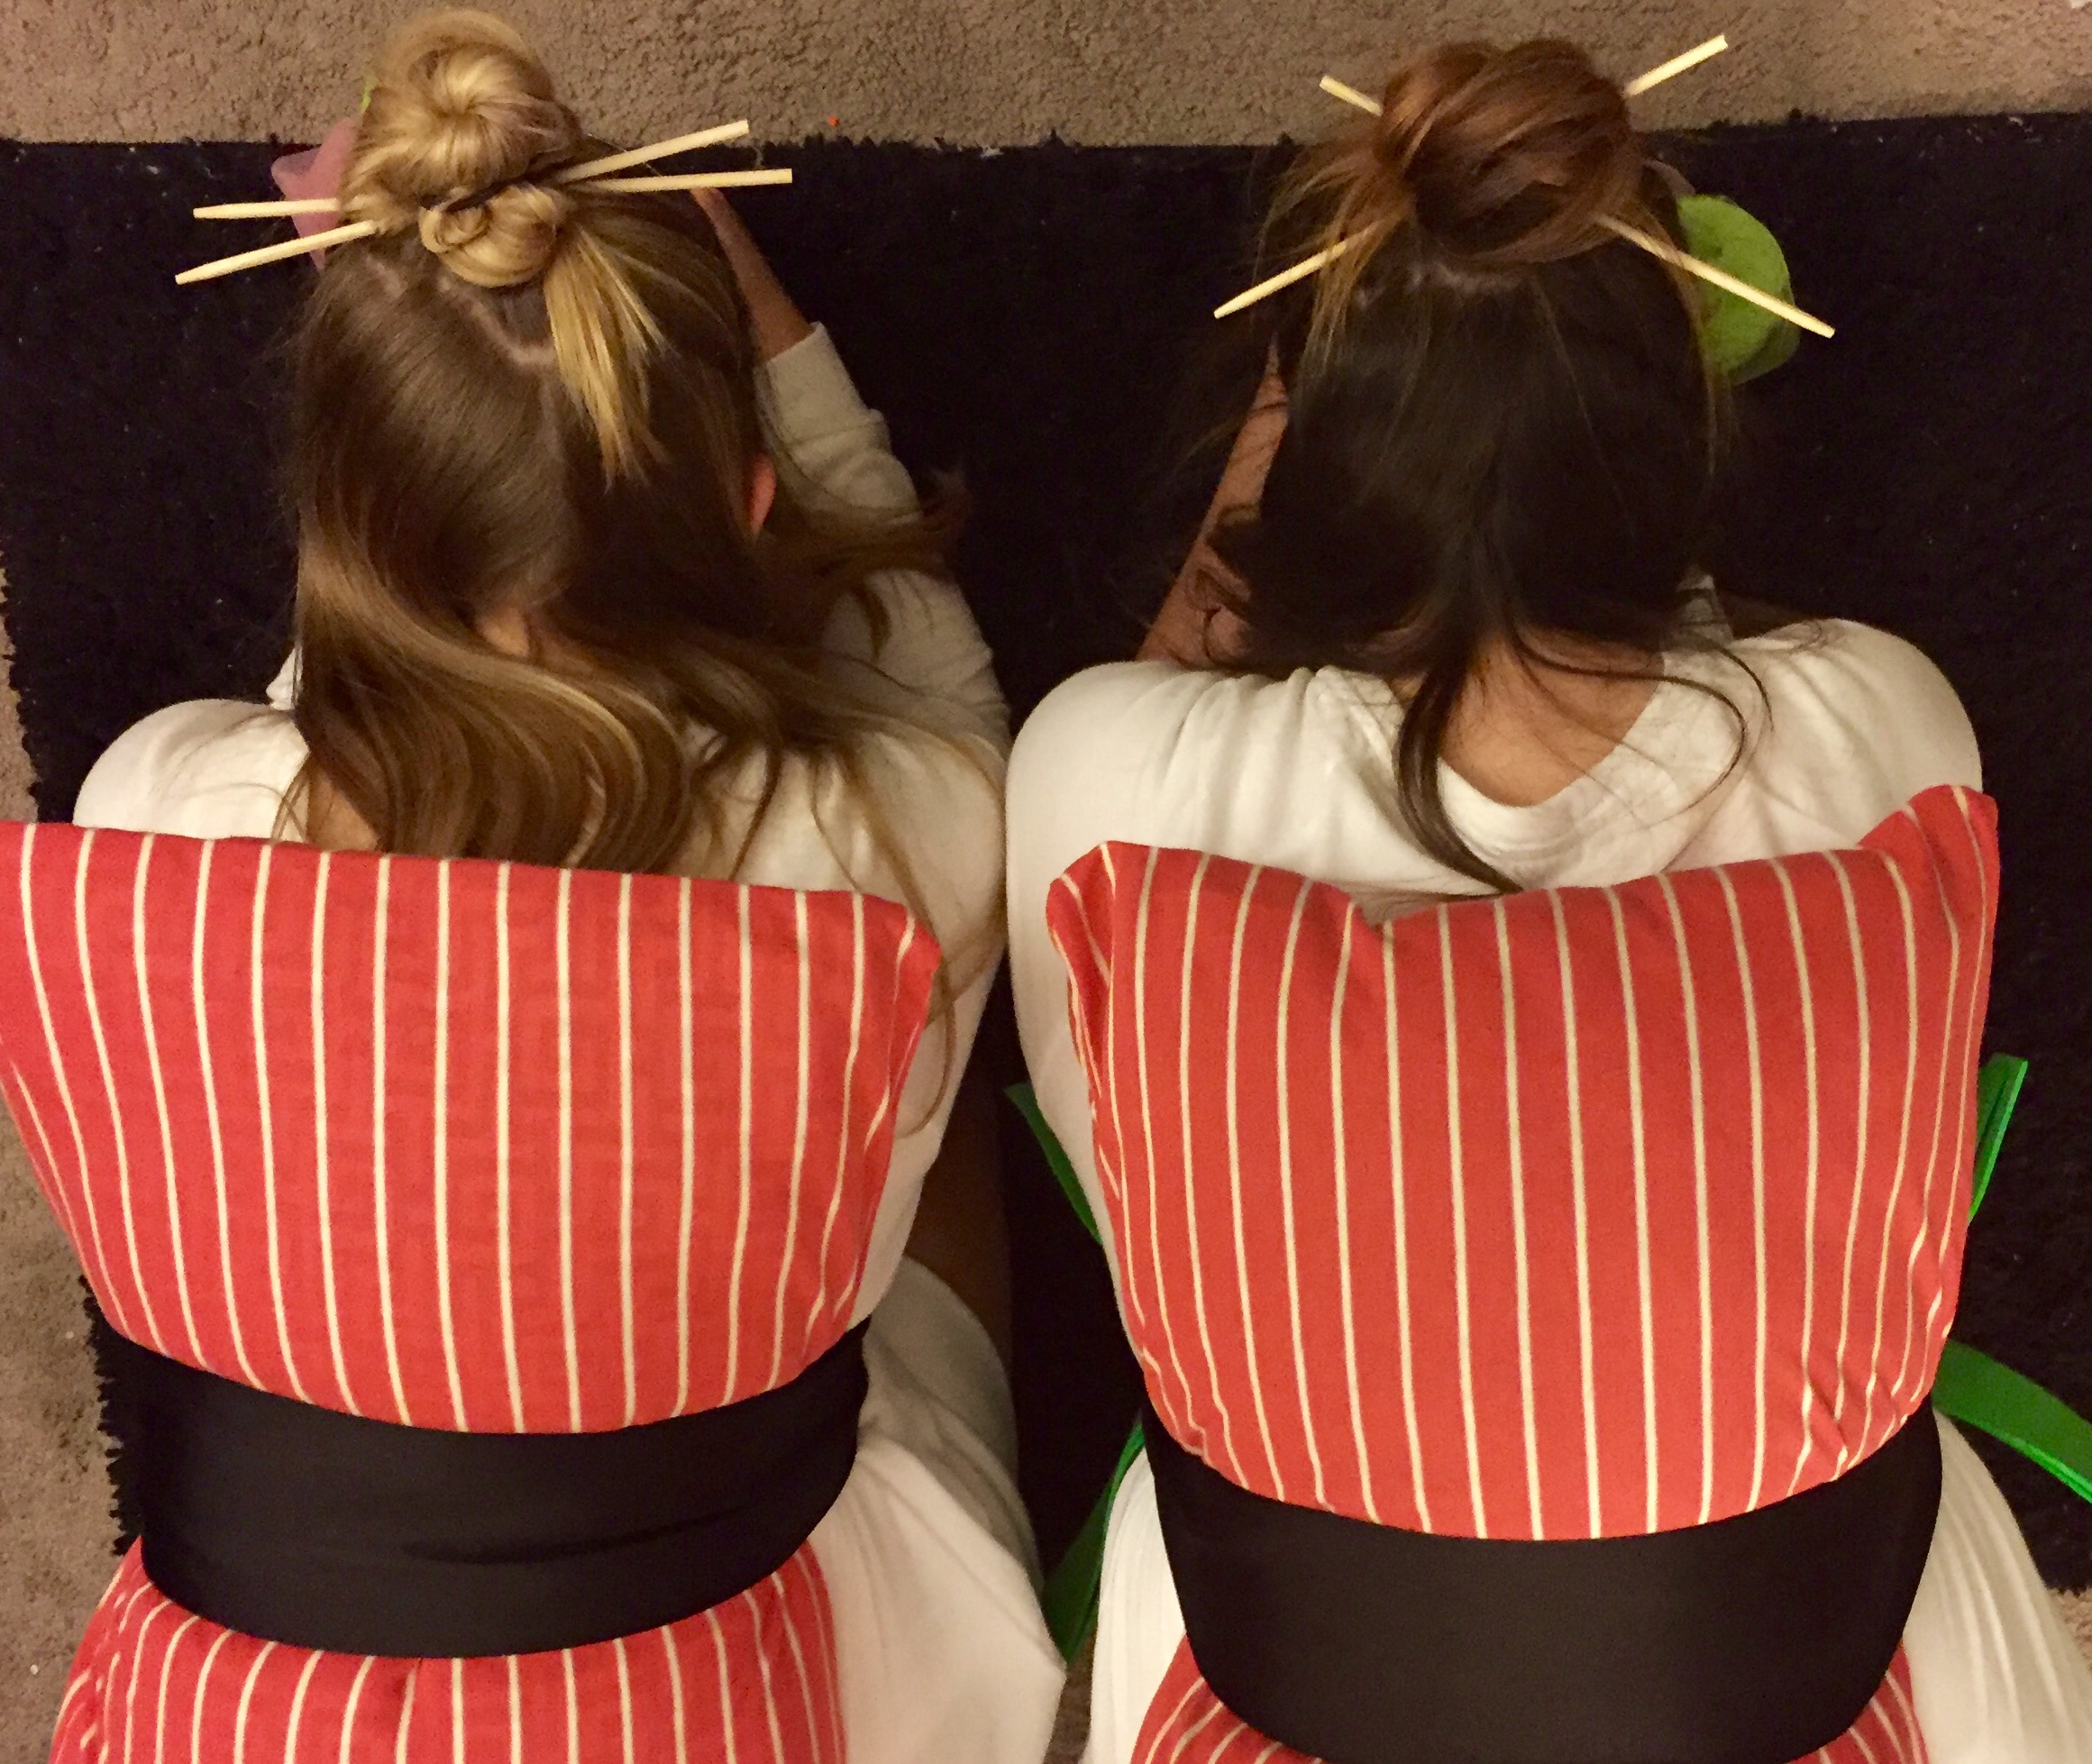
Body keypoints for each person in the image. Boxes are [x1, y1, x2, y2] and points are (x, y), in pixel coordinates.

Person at [1005, 37, 2092, 1764]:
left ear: (1309, 453)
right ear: (1684, 438)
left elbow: (1111, 1174)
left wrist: (1268, 498)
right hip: (1816, 1649)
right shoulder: (1886, 718)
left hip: (1293, 1653)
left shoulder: (1104, 778)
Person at [41, 10, 1061, 1759]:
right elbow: (953, 711)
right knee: (939, 1052)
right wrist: (788, 360)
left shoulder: (153, 802)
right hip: (772, 1650)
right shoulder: (899, 837)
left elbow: (331, 695)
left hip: (258, 1702)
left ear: (344, 519)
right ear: (750, 496)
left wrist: (428, 436)